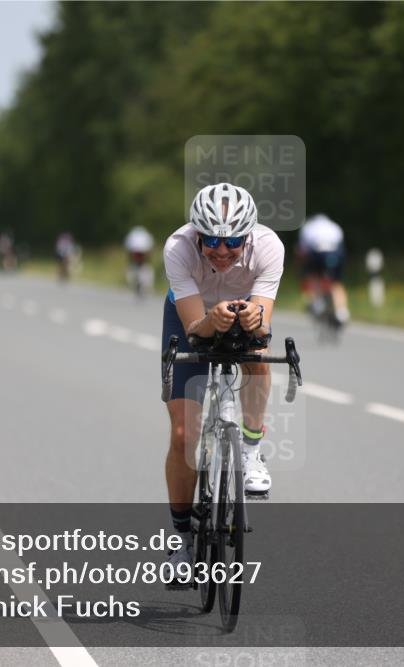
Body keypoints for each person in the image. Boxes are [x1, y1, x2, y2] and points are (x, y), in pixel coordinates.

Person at [162, 183, 284, 582]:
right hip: (192, 313)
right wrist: (209, 323)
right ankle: (180, 539)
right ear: (197, 232)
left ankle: (250, 450)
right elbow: (194, 328)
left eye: (233, 240)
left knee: (258, 358)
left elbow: (263, 324)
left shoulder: (269, 247)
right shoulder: (178, 248)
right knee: (183, 434)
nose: (222, 249)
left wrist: (254, 321)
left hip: (242, 305)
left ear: (247, 235)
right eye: (211, 238)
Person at [297, 213, 350, 325]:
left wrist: (302, 268)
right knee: (336, 283)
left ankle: (318, 303)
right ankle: (342, 312)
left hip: (317, 253)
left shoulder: (308, 227)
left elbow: (302, 250)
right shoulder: (334, 226)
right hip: (336, 254)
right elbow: (342, 246)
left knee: (313, 276)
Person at [124, 225, 155, 297]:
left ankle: (141, 284)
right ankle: (139, 284)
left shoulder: (134, 237)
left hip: (140, 259)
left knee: (143, 270)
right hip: (139, 258)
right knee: (138, 270)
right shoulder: (145, 237)